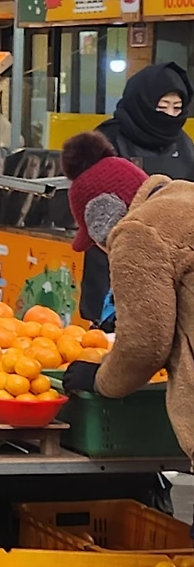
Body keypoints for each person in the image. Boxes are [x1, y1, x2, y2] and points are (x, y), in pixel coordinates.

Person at [59, 130, 194, 461]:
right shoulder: (184, 197)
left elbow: (144, 345)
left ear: (104, 215)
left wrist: (99, 379)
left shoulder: (137, 232)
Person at [79, 63, 194, 323]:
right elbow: (92, 207)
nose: (170, 116)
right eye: (162, 107)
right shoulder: (107, 139)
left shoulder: (183, 144)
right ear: (143, 102)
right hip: (115, 259)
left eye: (177, 108)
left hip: (171, 263)